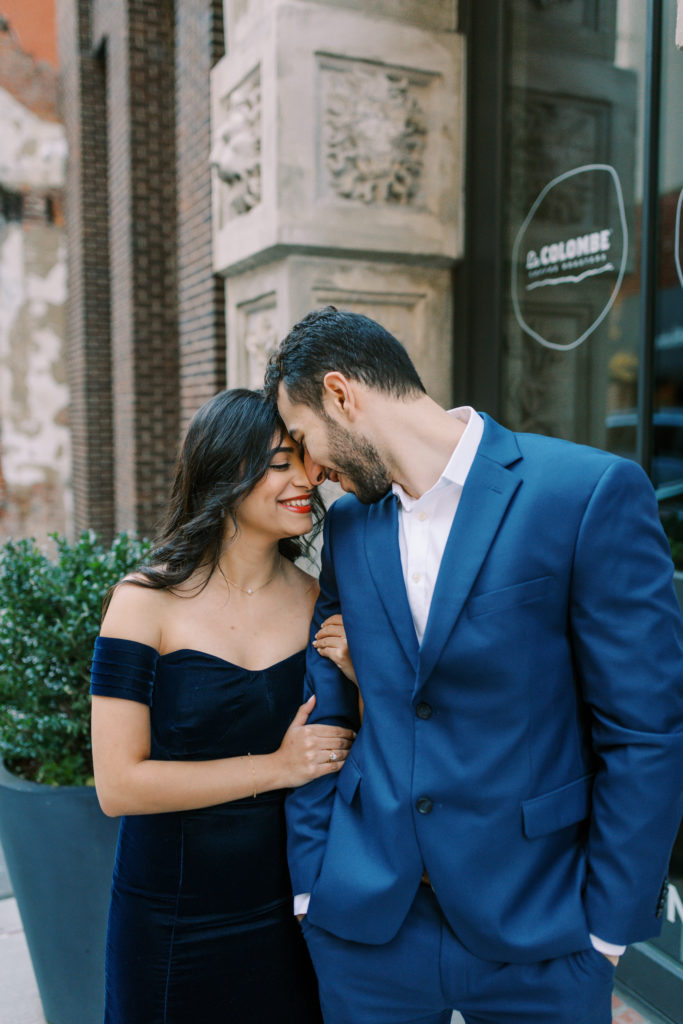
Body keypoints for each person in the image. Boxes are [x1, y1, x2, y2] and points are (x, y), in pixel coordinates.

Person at [264, 306, 683, 1024]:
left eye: (303, 440)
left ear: (341, 393)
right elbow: (326, 706)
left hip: (540, 928)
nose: (313, 472)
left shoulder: (584, 493)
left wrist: (606, 932)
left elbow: (643, 732)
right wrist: (312, 888)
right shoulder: (350, 528)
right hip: (366, 924)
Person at [89, 388, 356, 1024]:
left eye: (305, 461)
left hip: (288, 910)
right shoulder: (142, 601)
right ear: (225, 471)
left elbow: (357, 745)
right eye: (279, 463)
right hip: (169, 916)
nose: (305, 481)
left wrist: (359, 673)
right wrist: (277, 767)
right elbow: (118, 786)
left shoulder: (323, 600)